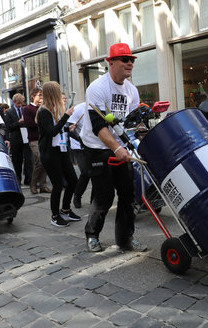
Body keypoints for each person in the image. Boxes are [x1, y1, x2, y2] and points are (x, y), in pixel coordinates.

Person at [81, 42, 147, 253]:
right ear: (110, 63)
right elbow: (99, 126)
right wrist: (117, 149)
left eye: (132, 60)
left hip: (120, 146)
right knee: (104, 195)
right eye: (125, 60)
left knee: (128, 194)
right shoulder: (98, 88)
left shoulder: (131, 90)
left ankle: (125, 239)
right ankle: (92, 235)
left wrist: (140, 135)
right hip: (97, 146)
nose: (130, 63)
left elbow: (132, 123)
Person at [37, 81, 81, 227]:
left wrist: (68, 129)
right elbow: (52, 131)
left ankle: (66, 209)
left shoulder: (56, 109)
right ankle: (55, 216)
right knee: (57, 185)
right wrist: (66, 117)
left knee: (73, 181)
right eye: (58, 92)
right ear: (53, 94)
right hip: (50, 153)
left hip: (61, 150)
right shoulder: (44, 111)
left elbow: (59, 130)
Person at [23, 87, 51, 194]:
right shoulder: (28, 109)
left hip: (44, 139)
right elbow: (29, 124)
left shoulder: (44, 108)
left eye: (42, 95)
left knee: (45, 161)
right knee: (39, 161)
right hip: (34, 139)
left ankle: (43, 185)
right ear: (33, 96)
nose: (41, 98)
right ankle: (33, 184)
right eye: (39, 95)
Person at [5, 94, 33, 186]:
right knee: (17, 160)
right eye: (18, 103)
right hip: (16, 138)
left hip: (25, 137)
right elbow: (9, 126)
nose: (20, 105)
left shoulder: (25, 110)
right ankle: (18, 179)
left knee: (28, 159)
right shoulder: (9, 112)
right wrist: (18, 122)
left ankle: (28, 179)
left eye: (21, 103)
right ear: (14, 102)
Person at [68, 102, 91, 208]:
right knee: (85, 172)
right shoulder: (78, 109)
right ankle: (77, 195)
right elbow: (70, 129)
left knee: (96, 172)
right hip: (79, 147)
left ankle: (94, 199)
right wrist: (81, 140)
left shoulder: (99, 108)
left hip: (92, 145)